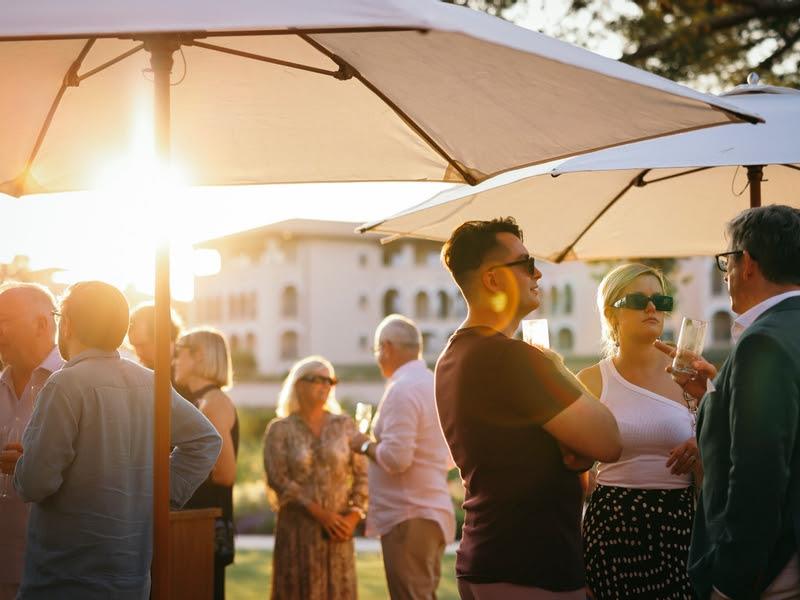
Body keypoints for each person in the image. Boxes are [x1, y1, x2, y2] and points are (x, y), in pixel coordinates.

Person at [435, 217, 622, 600]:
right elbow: (608, 440)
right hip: (530, 567)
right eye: (524, 263)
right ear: (492, 279)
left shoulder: (453, 355)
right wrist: (557, 368)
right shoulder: (516, 360)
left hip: (486, 557)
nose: (537, 272)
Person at [9, 281, 221, 599]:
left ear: (66, 325)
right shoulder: (149, 382)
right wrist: (159, 492)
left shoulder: (64, 384)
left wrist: (23, 464)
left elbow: (36, 482)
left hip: (63, 579)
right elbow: (205, 441)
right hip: (130, 579)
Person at [657, 205, 800, 600]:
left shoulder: (762, 341)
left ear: (748, 263)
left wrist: (730, 579)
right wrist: (717, 395)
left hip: (770, 573)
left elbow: (758, 474)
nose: (726, 275)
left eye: (727, 262)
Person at [577, 263, 699, 599]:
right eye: (638, 300)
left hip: (678, 525)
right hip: (612, 525)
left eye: (660, 301)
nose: (651, 308)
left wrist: (703, 443)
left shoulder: (690, 377)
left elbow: (727, 452)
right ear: (611, 312)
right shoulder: (590, 381)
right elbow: (571, 468)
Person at [350, 314, 456, 600]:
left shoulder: (402, 389)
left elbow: (397, 459)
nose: (377, 357)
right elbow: (449, 456)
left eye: (376, 350)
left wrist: (363, 445)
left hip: (408, 516)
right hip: (431, 510)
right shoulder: (435, 384)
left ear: (386, 347)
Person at [263, 355, 368, 600]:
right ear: (298, 384)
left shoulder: (344, 425)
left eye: (330, 380)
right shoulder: (280, 429)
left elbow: (363, 474)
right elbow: (277, 478)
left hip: (338, 532)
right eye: (317, 379)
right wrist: (319, 513)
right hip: (298, 532)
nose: (325, 385)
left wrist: (353, 516)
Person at [0, 283, 63, 600]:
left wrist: (39, 464)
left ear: (42, 324)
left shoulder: (74, 382)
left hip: (54, 572)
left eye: (5, 320)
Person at [173, 327, 239, 600]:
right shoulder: (201, 401)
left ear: (199, 356)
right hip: (193, 524)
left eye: (179, 353)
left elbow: (224, 474)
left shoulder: (213, 403)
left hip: (203, 526)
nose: (174, 361)